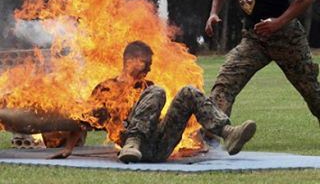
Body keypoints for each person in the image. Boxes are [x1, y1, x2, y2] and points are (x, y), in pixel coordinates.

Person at [0, 41, 257, 162]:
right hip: (129, 148)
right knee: (156, 93)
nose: (149, 69)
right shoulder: (106, 89)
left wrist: (197, 141)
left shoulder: (149, 87)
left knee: (186, 91)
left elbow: (170, 116)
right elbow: (83, 119)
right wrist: (69, 148)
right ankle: (132, 142)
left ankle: (227, 131)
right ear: (132, 61)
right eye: (146, 64)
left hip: (157, 145)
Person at [205, 0, 320, 119]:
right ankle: (215, 135)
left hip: (286, 39)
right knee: (225, 82)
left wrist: (278, 22)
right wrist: (213, 13)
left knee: (311, 92)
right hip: (254, 39)